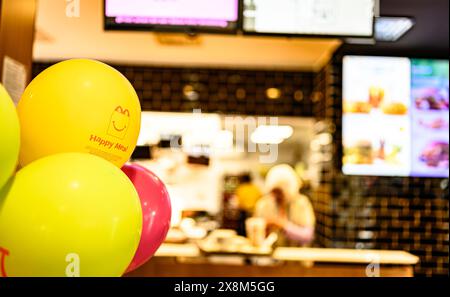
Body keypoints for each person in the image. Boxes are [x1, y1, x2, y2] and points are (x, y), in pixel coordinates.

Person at [254, 164, 315, 246]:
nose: (276, 196)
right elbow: (255, 235)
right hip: (270, 256)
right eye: (274, 191)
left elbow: (308, 236)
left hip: (296, 256)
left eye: (280, 192)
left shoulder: (302, 203)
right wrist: (264, 228)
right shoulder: (263, 204)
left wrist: (283, 225)